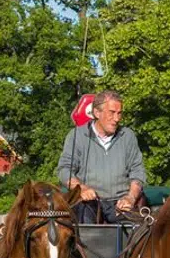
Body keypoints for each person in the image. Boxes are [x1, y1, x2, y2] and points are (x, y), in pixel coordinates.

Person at [56, 90, 147, 224]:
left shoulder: (127, 136)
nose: (117, 119)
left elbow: (137, 171)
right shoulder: (77, 136)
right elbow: (65, 170)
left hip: (121, 202)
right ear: (97, 113)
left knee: (140, 233)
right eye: (111, 112)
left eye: (119, 113)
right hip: (89, 202)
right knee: (84, 232)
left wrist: (131, 198)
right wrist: (81, 188)